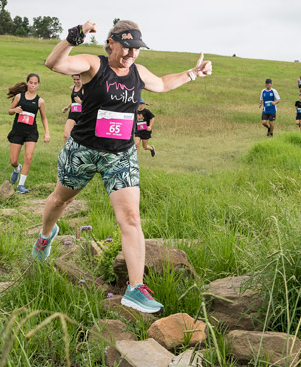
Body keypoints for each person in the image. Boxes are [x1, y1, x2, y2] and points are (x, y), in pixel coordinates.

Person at [33, 19, 212, 314]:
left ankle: (135, 288)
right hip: (83, 151)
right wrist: (75, 36)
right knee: (60, 200)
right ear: (111, 43)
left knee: (130, 217)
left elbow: (164, 84)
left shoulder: (138, 73)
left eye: (136, 48)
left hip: (120, 155)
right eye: (126, 47)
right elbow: (54, 63)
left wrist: (193, 73)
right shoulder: (94, 64)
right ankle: (45, 235)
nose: (131, 54)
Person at [6, 73, 50, 193]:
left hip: (31, 132)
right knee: (13, 160)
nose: (33, 85)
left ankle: (21, 185)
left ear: (38, 85)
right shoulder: (19, 97)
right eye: (31, 83)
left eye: (35, 83)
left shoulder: (40, 101)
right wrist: (15, 110)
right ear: (27, 83)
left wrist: (47, 133)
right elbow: (10, 111)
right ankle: (16, 169)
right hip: (17, 131)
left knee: (28, 156)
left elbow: (44, 118)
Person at [61, 74, 84, 142]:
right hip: (72, 114)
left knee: (78, 137)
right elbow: (74, 101)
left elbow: (89, 103)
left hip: (81, 115)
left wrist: (81, 102)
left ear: (81, 79)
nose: (76, 81)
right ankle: (66, 151)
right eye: (74, 79)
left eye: (78, 79)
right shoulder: (72, 88)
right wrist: (67, 107)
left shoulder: (84, 89)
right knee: (66, 135)